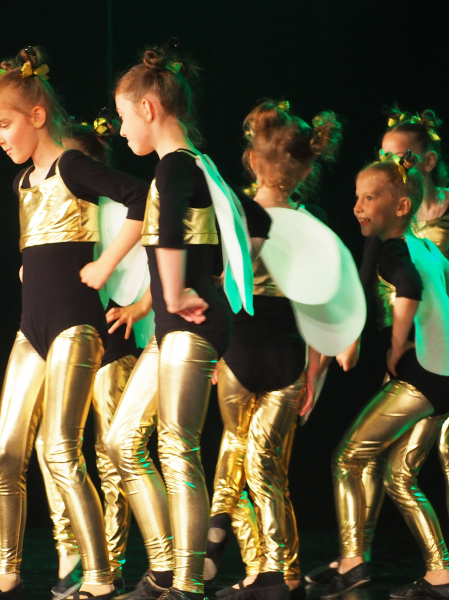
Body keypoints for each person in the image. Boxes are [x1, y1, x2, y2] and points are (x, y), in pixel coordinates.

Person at [106, 39, 254, 600]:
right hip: (177, 321)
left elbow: (172, 239)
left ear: (148, 109)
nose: (122, 130)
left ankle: (187, 585)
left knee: (177, 446)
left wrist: (173, 292)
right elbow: (198, 245)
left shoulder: (175, 167)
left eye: (124, 117)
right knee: (123, 440)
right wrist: (153, 301)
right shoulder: (189, 167)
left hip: (191, 320)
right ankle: (167, 568)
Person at [0, 46, 148, 600]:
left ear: (37, 116)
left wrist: (106, 264)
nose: (0, 137)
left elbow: (141, 197)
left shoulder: (72, 167)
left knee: (61, 449)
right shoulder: (23, 183)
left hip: (74, 328)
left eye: (5, 124)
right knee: (7, 453)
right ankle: (7, 568)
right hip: (32, 330)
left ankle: (101, 576)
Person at [207, 100, 342, 600]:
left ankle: (273, 572)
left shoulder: (287, 219)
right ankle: (271, 572)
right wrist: (316, 369)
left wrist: (316, 369)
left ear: (251, 158)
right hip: (272, 355)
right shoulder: (250, 214)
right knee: (263, 467)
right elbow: (320, 304)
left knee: (248, 463)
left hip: (253, 353)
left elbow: (318, 299)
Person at [322, 151, 449, 600]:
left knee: (347, 458)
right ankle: (441, 575)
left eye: (370, 198)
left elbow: (408, 286)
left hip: (420, 378)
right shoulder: (425, 247)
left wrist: (399, 341)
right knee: (399, 477)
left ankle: (353, 563)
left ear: (402, 206)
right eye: (357, 198)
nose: (358, 207)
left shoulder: (395, 249)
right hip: (445, 379)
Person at [33, 115, 154, 600]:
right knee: (52, 445)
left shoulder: (115, 212)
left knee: (108, 452)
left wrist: (138, 307)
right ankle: (72, 553)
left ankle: (111, 561)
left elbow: (154, 261)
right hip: (68, 335)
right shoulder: (60, 213)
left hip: (111, 341)